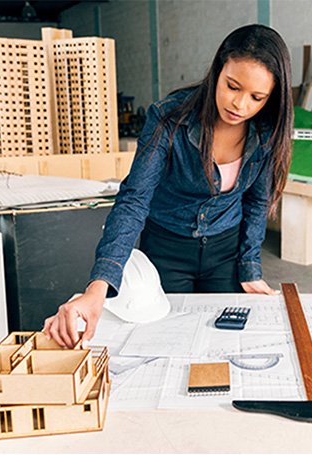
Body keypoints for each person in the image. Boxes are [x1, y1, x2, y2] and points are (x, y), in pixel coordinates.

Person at [44, 24, 293, 348]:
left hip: (225, 253)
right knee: (166, 342)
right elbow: (134, 199)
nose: (241, 105)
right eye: (233, 86)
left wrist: (249, 268)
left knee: (223, 344)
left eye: (257, 97)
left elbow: (257, 204)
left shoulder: (267, 132)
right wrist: (98, 288)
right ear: (218, 70)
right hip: (166, 249)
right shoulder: (168, 119)